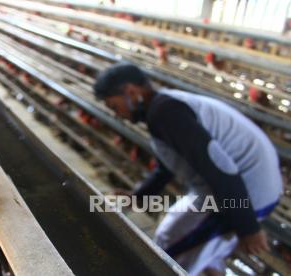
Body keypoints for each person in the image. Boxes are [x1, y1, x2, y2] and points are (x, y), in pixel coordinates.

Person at [93, 62, 283, 275]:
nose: (117, 114)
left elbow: (221, 168)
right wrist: (139, 196)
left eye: (113, 105)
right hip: (243, 187)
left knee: (168, 249)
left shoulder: (165, 112)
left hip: (243, 192)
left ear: (131, 91)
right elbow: (168, 166)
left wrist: (248, 228)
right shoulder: (164, 106)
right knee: (201, 253)